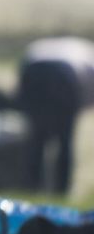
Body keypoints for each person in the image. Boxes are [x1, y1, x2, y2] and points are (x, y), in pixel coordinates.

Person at [17, 37, 94, 195]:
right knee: (64, 140)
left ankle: (33, 186)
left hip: (34, 71)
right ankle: (61, 189)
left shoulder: (40, 45)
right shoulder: (88, 53)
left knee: (37, 139)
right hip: (65, 76)